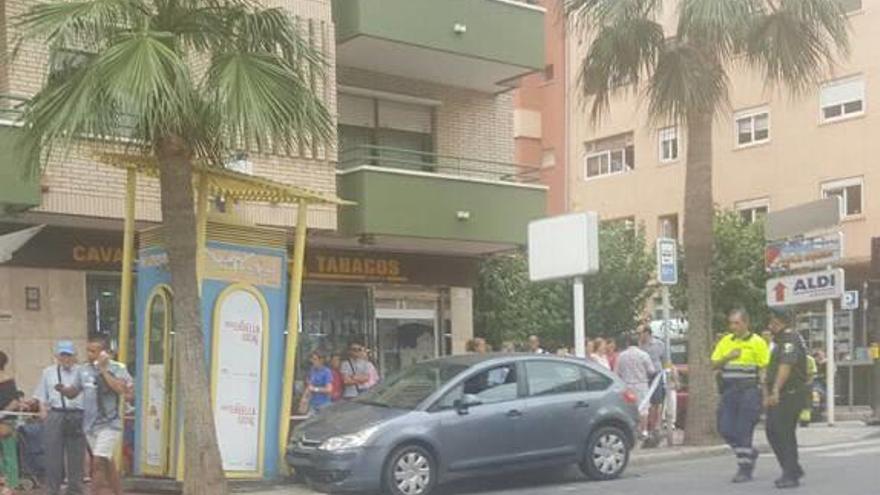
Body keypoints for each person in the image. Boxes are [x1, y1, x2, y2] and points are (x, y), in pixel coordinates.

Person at [711, 309, 771, 483]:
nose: (733, 327)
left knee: (744, 429)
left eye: (736, 323)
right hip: (730, 391)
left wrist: (766, 394)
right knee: (725, 428)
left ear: (746, 323)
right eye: (731, 323)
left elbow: (763, 369)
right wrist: (727, 357)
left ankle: (745, 468)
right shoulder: (725, 341)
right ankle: (749, 452)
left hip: (749, 391)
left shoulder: (757, 342)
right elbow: (713, 364)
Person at [75, 337, 132, 495]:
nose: (89, 354)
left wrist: (103, 370)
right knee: (107, 462)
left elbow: (121, 390)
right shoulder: (83, 369)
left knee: (98, 462)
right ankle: (118, 492)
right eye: (88, 350)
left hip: (110, 423)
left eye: (93, 351)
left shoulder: (118, 368)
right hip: (90, 424)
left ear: (103, 352)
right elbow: (75, 390)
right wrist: (64, 390)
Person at [33, 340, 86, 495]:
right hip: (56, 413)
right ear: (57, 356)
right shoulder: (48, 372)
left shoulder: (82, 371)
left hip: (77, 414)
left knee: (76, 455)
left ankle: (75, 490)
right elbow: (42, 395)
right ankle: (52, 490)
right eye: (63, 355)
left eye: (69, 355)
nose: (66, 358)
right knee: (52, 455)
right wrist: (43, 412)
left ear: (74, 356)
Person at [764, 308, 809, 489]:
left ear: (778, 321)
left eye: (772, 322)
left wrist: (775, 389)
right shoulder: (780, 340)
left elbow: (786, 365)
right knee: (773, 431)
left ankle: (790, 474)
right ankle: (793, 468)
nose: (769, 325)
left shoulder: (789, 339)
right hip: (782, 394)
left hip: (790, 394)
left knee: (784, 433)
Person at [615, 333, 655, 438]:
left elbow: (616, 372)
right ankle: (644, 430)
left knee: (629, 408)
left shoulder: (621, 355)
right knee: (643, 408)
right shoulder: (644, 355)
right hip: (641, 384)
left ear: (627, 343)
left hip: (627, 385)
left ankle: (632, 430)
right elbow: (651, 370)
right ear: (638, 343)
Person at [639, 325, 668, 445]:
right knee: (646, 403)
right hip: (645, 377)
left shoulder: (659, 344)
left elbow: (665, 360)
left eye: (640, 333)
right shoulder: (640, 346)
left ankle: (656, 425)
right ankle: (648, 426)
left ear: (647, 333)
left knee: (657, 402)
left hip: (657, 375)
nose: (639, 336)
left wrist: (667, 373)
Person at [0, 351, 21, 490]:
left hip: (6, 422)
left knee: (9, 454)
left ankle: (11, 485)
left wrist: (1, 415)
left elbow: (15, 402)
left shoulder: (8, 381)